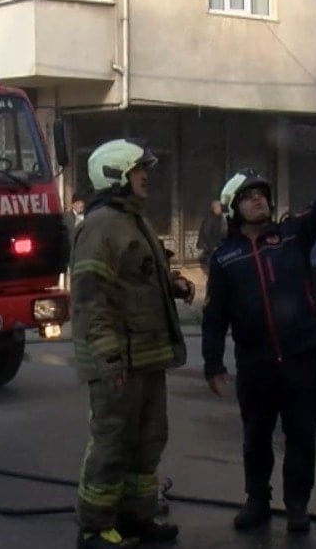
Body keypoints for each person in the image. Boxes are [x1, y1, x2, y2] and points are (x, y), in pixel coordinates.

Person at [202, 137, 316, 535]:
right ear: (233, 208)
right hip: (256, 365)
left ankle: (297, 504)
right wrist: (213, 362)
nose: (258, 200)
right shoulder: (225, 258)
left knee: (301, 435)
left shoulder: (293, 235)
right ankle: (257, 502)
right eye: (248, 196)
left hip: (301, 359)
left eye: (262, 193)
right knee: (256, 438)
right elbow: (214, 317)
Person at [70, 138, 195, 549]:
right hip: (119, 361)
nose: (147, 177)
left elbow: (137, 275)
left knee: (147, 440)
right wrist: (108, 357)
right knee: (112, 442)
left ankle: (136, 517)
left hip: (145, 355)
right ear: (116, 174)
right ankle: (95, 527)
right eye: (139, 169)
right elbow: (92, 299)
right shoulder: (101, 225)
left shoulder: (132, 220)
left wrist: (173, 284)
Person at [195, 200, 226, 271]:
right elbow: (206, 233)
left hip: (215, 245)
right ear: (214, 209)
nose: (220, 209)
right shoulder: (209, 218)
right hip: (207, 246)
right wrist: (213, 246)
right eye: (218, 207)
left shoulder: (220, 217)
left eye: (220, 207)